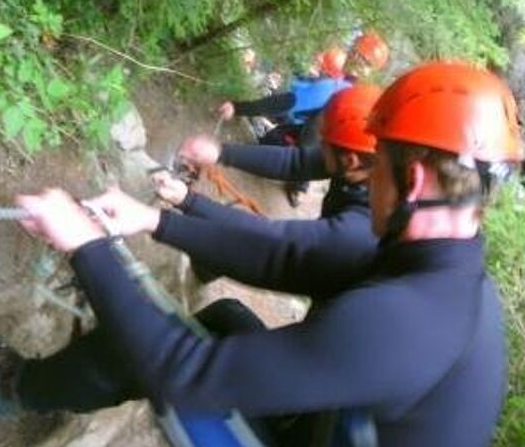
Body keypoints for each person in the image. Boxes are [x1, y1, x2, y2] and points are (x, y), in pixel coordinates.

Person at [0, 61, 524, 447]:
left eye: (381, 164)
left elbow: (188, 376)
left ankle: (11, 387)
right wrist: (156, 220)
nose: (368, 183)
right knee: (222, 323)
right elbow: (287, 262)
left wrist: (87, 246)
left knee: (156, 349)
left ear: (414, 179)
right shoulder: (441, 267)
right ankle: (59, 387)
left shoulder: (406, 324)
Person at [151, 83, 382, 294]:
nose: (319, 145)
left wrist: (180, 205)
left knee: (227, 314)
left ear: (351, 161)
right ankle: (207, 266)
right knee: (224, 254)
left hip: (336, 304)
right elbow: (297, 163)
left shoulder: (363, 230)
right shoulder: (370, 162)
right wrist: (221, 152)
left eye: (324, 142)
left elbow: (272, 245)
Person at [219, 31, 390, 206]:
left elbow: (286, 102)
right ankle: (299, 185)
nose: (353, 57)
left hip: (316, 151)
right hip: (336, 159)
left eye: (358, 55)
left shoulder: (336, 88)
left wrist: (238, 108)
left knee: (272, 140)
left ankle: (298, 180)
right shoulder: (358, 92)